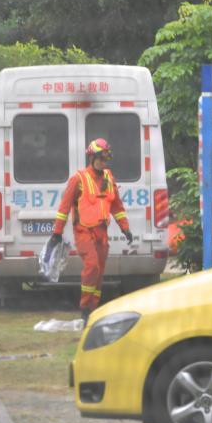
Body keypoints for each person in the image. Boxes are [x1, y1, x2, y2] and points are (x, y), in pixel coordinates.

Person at [49, 138, 133, 325]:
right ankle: (85, 308)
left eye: (106, 159)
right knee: (92, 266)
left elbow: (117, 206)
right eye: (101, 159)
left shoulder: (109, 178)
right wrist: (57, 232)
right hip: (84, 231)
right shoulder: (78, 179)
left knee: (100, 271)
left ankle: (93, 308)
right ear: (92, 158)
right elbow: (64, 207)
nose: (104, 163)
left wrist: (125, 228)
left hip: (102, 232)